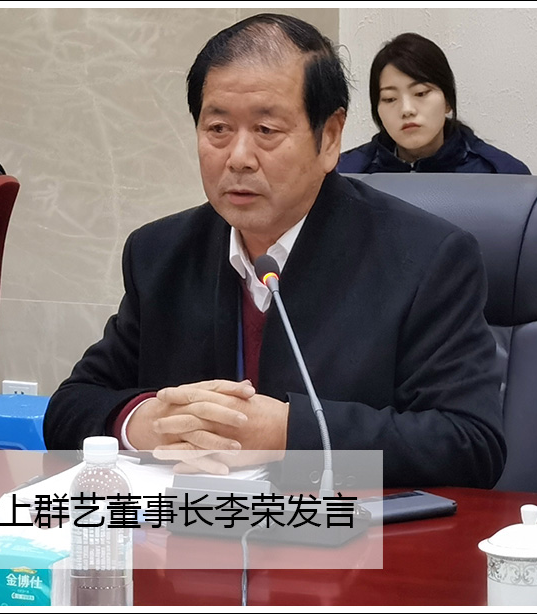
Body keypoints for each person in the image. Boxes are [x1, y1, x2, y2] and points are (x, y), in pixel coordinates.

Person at [43, 14, 506, 488]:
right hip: (188, 527)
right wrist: (144, 422)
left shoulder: (427, 258)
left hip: (341, 529)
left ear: (330, 137)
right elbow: (70, 407)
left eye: (266, 130)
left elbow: (470, 444)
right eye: (218, 128)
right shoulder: (160, 253)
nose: (238, 157)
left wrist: (288, 434)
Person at [337, 32, 530, 174]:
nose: (407, 110)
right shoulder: (345, 173)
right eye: (390, 99)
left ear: (447, 101)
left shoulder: (501, 174)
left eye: (420, 93)